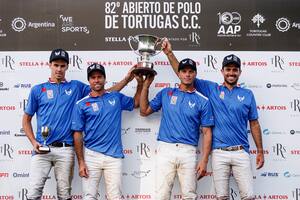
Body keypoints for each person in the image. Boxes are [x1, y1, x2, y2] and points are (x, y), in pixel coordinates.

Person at [22, 49, 135, 200]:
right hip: (42, 149)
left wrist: (126, 80)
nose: (59, 69)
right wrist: (34, 142)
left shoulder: (76, 87)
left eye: (62, 66)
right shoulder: (38, 89)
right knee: (33, 192)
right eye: (56, 65)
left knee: (64, 194)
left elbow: (102, 92)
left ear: (67, 67)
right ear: (49, 65)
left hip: (65, 149)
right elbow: (26, 120)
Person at [162, 39, 264, 200]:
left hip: (241, 152)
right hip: (219, 153)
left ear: (240, 72)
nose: (231, 73)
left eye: (235, 70)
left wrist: (259, 151)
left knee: (249, 196)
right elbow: (184, 75)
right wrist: (169, 53)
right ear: (222, 71)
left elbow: (255, 124)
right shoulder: (212, 89)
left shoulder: (248, 94)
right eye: (228, 69)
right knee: (221, 197)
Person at [140, 58, 214, 200]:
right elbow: (144, 111)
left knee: (189, 195)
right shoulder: (166, 93)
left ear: (195, 74)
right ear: (179, 74)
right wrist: (145, 86)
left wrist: (204, 160)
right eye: (184, 71)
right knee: (161, 195)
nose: (187, 74)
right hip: (165, 149)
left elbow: (207, 132)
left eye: (191, 71)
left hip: (188, 151)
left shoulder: (203, 101)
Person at [71, 63, 143, 200]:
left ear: (105, 79)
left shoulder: (116, 97)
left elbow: (135, 104)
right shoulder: (81, 104)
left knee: (115, 197)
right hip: (91, 155)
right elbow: (77, 134)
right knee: (89, 197)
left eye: (99, 77)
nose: (96, 80)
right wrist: (81, 162)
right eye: (93, 77)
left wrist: (139, 84)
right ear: (89, 81)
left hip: (114, 157)